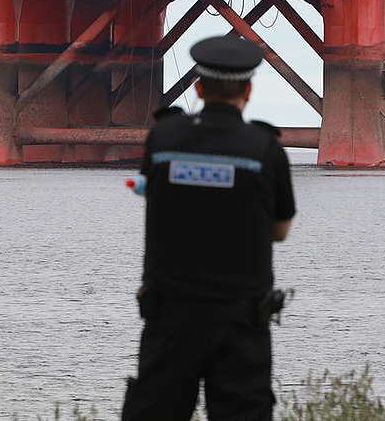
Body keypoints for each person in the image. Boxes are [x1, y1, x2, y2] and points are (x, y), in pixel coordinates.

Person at [121, 35, 296, 421]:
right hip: (239, 317)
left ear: (197, 87)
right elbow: (280, 230)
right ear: (248, 90)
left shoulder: (163, 138)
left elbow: (158, 199)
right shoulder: (264, 149)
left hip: (170, 315)